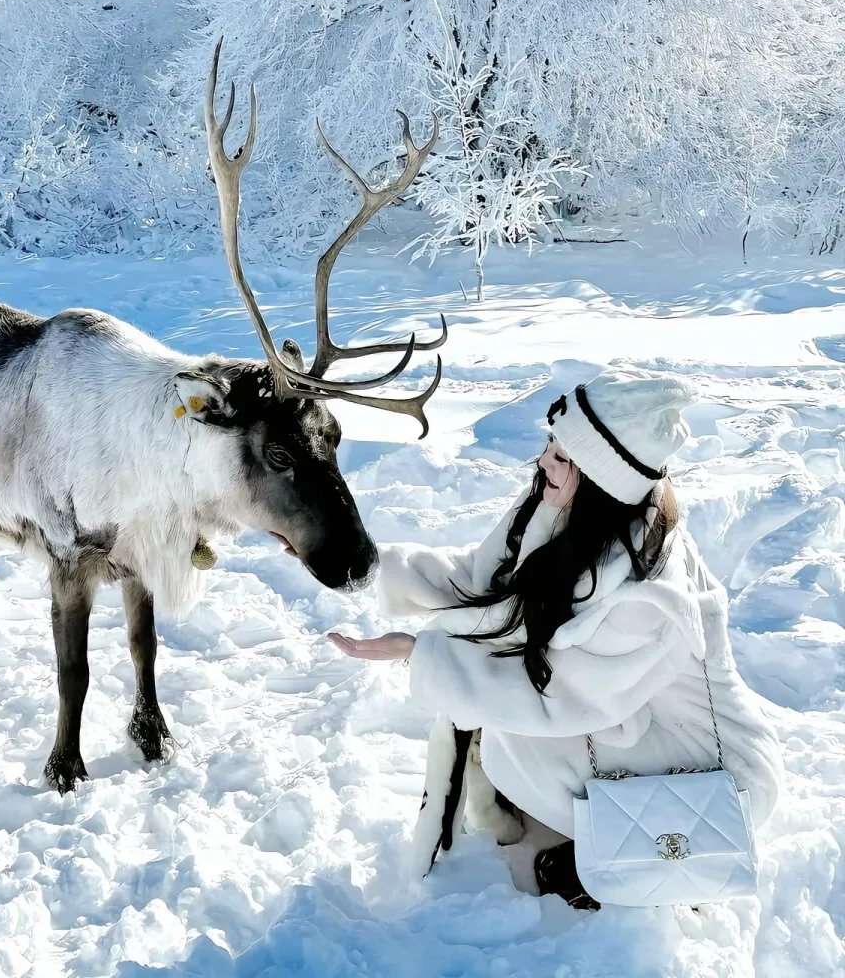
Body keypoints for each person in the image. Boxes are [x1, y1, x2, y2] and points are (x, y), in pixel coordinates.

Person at [330, 371, 783, 908]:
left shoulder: (646, 591)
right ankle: (579, 828)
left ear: (602, 478)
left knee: (512, 740)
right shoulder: (569, 513)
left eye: (565, 457)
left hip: (715, 773)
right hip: (644, 728)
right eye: (551, 443)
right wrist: (360, 563)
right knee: (496, 709)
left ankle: (628, 855)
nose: (546, 461)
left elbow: (560, 699)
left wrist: (421, 653)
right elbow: (487, 582)